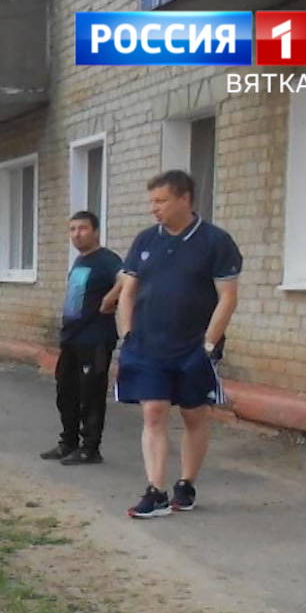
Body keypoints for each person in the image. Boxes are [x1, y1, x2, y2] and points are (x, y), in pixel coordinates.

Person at [115, 169, 242, 519]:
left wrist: (207, 344)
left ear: (184, 198)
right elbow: (128, 289)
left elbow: (227, 297)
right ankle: (155, 491)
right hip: (147, 344)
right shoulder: (145, 241)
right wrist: (127, 334)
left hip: (192, 347)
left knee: (193, 414)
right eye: (151, 201)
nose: (153, 208)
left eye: (161, 201)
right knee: (153, 411)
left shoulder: (216, 241)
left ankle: (185, 483)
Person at [42, 211, 124, 466]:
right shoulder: (79, 261)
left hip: (95, 338)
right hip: (72, 337)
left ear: (95, 231)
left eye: (83, 228)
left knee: (91, 394)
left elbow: (127, 280)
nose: (77, 234)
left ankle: (90, 448)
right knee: (65, 391)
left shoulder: (107, 260)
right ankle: (68, 442)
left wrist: (111, 298)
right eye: (72, 229)